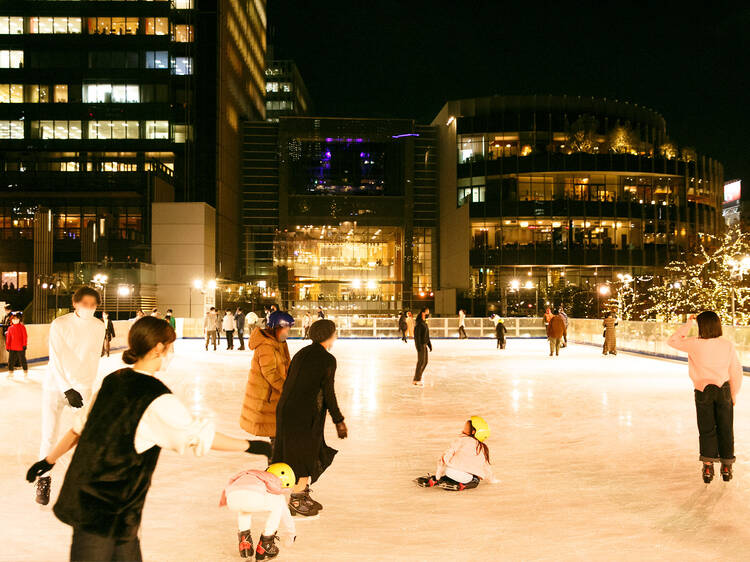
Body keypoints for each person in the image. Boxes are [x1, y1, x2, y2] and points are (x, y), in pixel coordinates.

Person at [25, 316, 272, 562]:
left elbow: (79, 429)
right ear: (158, 349)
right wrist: (252, 446)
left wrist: (48, 460)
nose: (172, 353)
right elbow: (198, 437)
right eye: (170, 347)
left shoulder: (113, 380)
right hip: (106, 510)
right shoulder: (156, 398)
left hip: (100, 503)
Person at [35, 286, 105, 506]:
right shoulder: (60, 324)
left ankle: (86, 482)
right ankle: (43, 479)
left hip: (82, 387)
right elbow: (55, 358)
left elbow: (93, 358)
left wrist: (85, 386)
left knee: (86, 435)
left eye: (93, 305)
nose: (89, 308)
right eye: (85, 304)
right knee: (49, 436)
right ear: (75, 303)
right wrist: (66, 388)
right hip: (56, 386)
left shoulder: (98, 326)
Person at [272, 319, 347, 517]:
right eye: (334, 332)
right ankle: (296, 498)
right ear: (328, 335)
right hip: (305, 413)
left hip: (286, 410)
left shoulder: (302, 353)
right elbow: (328, 393)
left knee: (294, 453)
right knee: (306, 455)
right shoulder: (327, 360)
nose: (336, 335)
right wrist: (338, 420)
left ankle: (300, 493)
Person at [667, 312, 743, 483]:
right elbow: (735, 372)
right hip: (723, 390)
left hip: (703, 391)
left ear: (701, 326)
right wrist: (733, 394)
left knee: (707, 429)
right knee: (725, 428)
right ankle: (726, 465)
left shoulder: (694, 344)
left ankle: (708, 465)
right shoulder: (727, 345)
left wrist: (688, 324)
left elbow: (672, 341)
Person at [220, 463, 297, 560]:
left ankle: (245, 542)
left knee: (244, 508)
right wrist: (291, 534)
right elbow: (285, 514)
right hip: (250, 496)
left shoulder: (253, 474)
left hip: (231, 497)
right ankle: (266, 544)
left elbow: (231, 483)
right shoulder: (271, 479)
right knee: (279, 503)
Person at [241, 311, 293, 441]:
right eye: (286, 329)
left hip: (276, 396)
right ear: (277, 328)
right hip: (268, 398)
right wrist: (286, 389)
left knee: (280, 436)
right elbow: (270, 373)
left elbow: (287, 366)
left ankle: (276, 458)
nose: (288, 332)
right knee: (276, 437)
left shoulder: (279, 343)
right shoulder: (266, 346)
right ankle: (274, 460)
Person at [416, 416, 494, 491]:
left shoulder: (460, 440)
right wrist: (491, 480)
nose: (463, 428)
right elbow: (486, 466)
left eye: (466, 426)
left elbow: (446, 456)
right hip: (465, 478)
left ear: (473, 432)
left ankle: (437, 480)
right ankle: (462, 485)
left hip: (449, 472)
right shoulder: (483, 448)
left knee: (454, 473)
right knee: (475, 480)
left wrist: (438, 476)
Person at [412, 308, 432, 386]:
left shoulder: (424, 323)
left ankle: (417, 377)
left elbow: (426, 335)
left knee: (425, 362)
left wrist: (429, 344)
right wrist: (418, 346)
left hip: (424, 345)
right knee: (421, 362)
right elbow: (417, 337)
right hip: (420, 345)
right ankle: (416, 379)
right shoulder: (419, 324)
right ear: (423, 313)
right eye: (427, 312)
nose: (428, 314)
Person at [6, 312, 28, 379]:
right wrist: (7, 346)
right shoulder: (10, 328)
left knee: (22, 359)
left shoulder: (22, 327)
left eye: (16, 319)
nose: (15, 320)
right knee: (11, 360)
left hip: (20, 347)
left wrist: (24, 345)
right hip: (12, 347)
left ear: (19, 319)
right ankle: (10, 372)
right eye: (13, 319)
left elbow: (25, 336)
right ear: (11, 320)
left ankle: (25, 372)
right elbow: (8, 338)